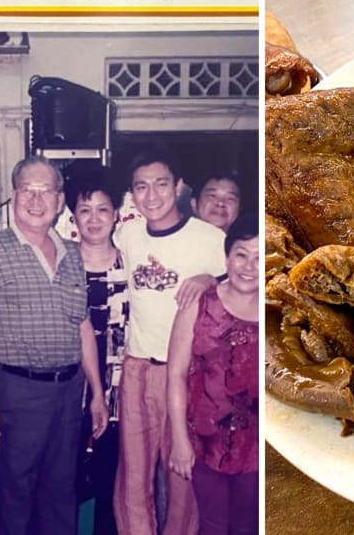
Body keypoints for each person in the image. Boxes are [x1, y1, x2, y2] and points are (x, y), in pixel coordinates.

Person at [0, 155, 109, 535]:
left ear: (60, 202)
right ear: (14, 196)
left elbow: (83, 328)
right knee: (15, 493)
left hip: (69, 390)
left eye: (46, 191)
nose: (37, 199)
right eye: (28, 190)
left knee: (61, 492)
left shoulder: (72, 255)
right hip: (17, 390)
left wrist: (96, 394)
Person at [113, 147, 226, 535]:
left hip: (185, 375)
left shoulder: (210, 239)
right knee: (133, 474)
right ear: (132, 194)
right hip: (136, 369)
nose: (151, 195)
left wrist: (212, 279)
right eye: (140, 187)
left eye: (161, 184)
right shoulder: (127, 234)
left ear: (179, 186)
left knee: (182, 472)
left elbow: (242, 285)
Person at [167, 214, 259, 535]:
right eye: (242, 254)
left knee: (248, 526)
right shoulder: (199, 304)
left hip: (257, 445)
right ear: (227, 258)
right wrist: (179, 440)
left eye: (261, 258)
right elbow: (176, 374)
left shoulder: (276, 309)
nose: (250, 266)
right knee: (213, 525)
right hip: (205, 440)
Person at [64, 164, 129, 535]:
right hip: (67, 389)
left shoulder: (132, 263)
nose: (93, 219)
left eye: (102, 209)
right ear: (74, 216)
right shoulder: (60, 263)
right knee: (62, 482)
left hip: (118, 390)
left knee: (110, 481)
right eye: (85, 210)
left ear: (116, 215)